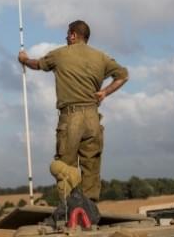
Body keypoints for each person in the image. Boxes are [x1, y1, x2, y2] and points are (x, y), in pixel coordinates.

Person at [18, 20, 129, 201]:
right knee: (91, 166)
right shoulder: (101, 57)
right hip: (93, 118)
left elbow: (37, 64)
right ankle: (89, 209)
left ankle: (70, 210)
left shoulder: (60, 54)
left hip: (71, 118)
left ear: (73, 35)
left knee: (65, 166)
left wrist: (23, 59)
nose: (66, 37)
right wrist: (105, 92)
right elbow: (123, 75)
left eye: (67, 34)